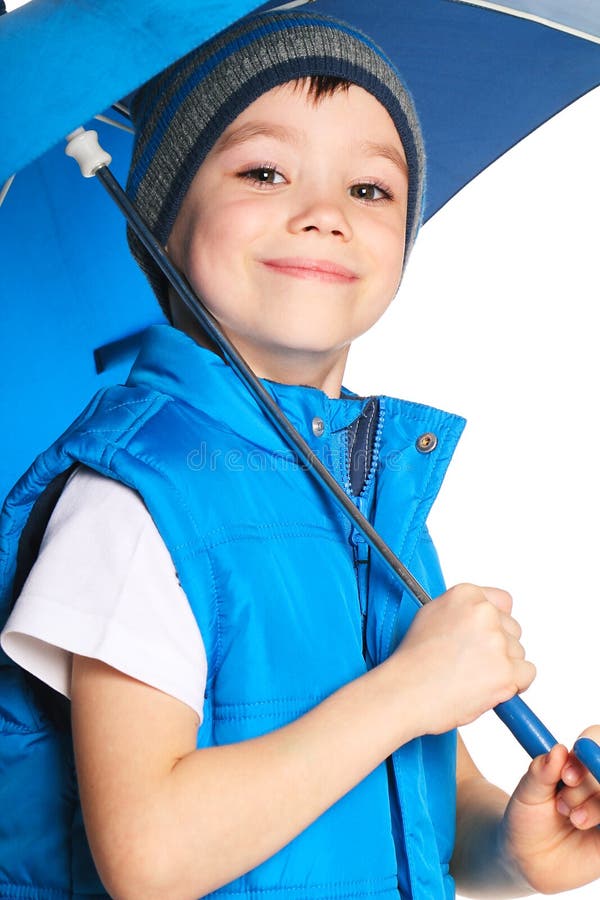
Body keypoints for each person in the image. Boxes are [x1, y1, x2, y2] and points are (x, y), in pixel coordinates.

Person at [1, 9, 599, 899]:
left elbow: (427, 813)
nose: (324, 215)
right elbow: (149, 855)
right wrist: (408, 689)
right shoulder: (136, 501)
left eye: (370, 189)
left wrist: (516, 851)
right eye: (265, 172)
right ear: (161, 220)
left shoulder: (368, 493)